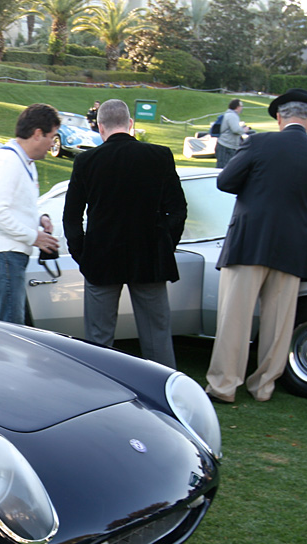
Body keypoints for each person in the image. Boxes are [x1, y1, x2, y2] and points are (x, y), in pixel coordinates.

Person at [204, 89, 307, 403]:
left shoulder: (258, 142)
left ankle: (224, 386)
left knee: (234, 318)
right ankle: (263, 386)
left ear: (279, 117)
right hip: (293, 244)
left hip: (250, 239)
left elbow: (225, 181)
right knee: (278, 325)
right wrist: (305, 215)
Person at [62, 99, 187, 368]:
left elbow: (71, 217)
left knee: (99, 340)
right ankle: (165, 395)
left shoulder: (87, 161)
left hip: (100, 258)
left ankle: (102, 395)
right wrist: (163, 245)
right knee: (157, 338)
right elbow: (177, 211)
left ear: (100, 127)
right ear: (130, 124)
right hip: (149, 257)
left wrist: (82, 254)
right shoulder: (159, 156)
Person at [0, 103, 61, 324]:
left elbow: (16, 205)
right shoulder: (8, 161)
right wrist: (34, 237)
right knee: (12, 324)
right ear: (37, 134)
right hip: (4, 253)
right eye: (52, 136)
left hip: (8, 253)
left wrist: (39, 218)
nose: (53, 143)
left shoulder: (24, 161)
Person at [215, 99, 246, 169]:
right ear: (237, 107)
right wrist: (244, 130)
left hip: (228, 145)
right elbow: (235, 130)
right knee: (223, 168)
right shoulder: (232, 115)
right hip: (226, 145)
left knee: (230, 168)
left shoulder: (230, 114)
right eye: (241, 106)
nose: (242, 108)